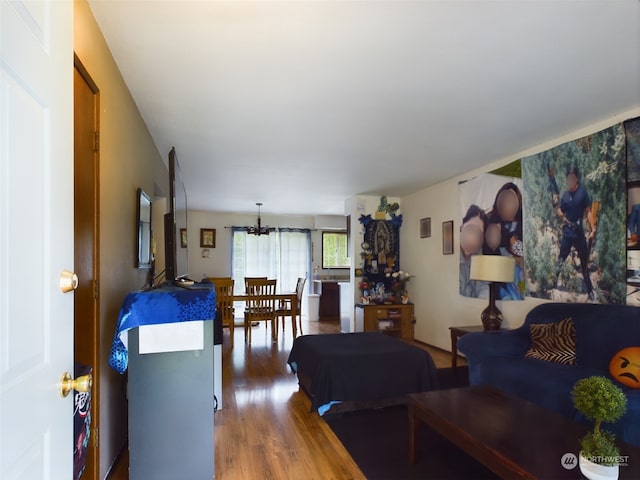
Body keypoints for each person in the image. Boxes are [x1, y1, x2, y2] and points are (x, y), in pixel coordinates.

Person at [555, 166, 595, 300]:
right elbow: (560, 210)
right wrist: (559, 211)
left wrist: (593, 228)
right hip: (567, 233)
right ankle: (552, 284)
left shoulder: (582, 193)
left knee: (584, 264)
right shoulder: (565, 195)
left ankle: (590, 290)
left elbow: (588, 212)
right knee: (561, 259)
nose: (570, 180)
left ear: (576, 178)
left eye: (572, 177)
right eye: (568, 177)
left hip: (579, 234)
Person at [459, 204, 489, 298]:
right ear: (461, 227)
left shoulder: (480, 256)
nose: (473, 239)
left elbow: (484, 286)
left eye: (479, 235)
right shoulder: (450, 254)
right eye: (470, 229)